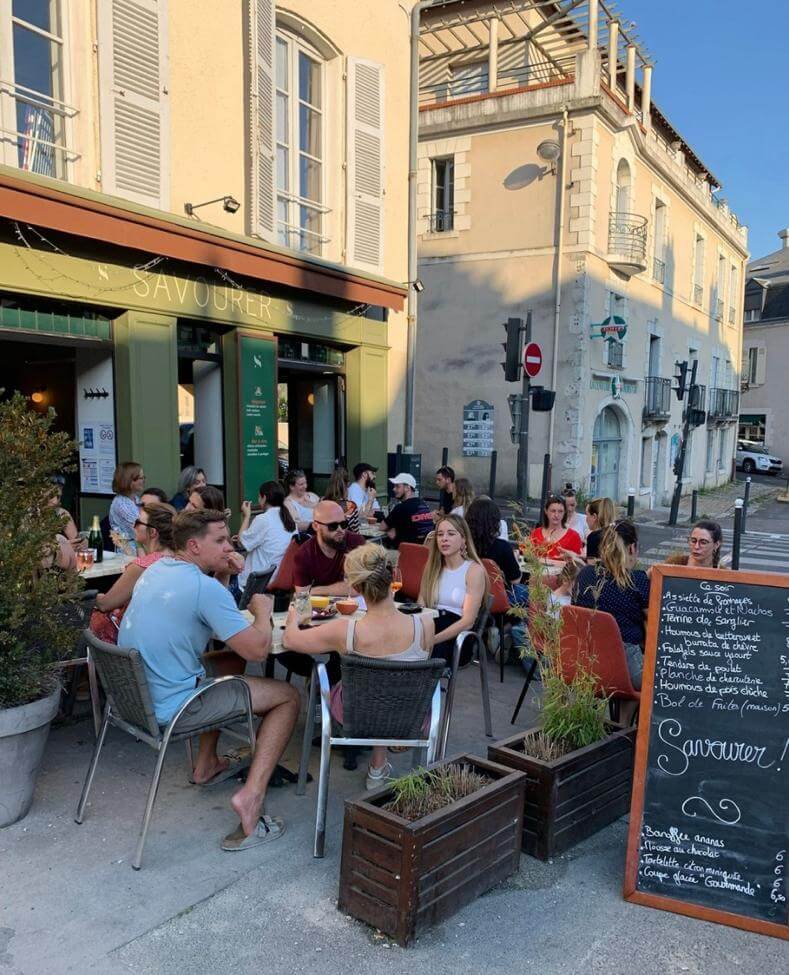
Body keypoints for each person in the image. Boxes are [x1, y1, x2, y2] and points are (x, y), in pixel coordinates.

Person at [119, 509, 300, 850]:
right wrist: (263, 612)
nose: (228, 546)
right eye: (218, 541)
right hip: (173, 707)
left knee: (224, 668)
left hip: (135, 698)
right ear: (193, 545)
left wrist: (223, 577)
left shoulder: (156, 569)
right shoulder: (202, 587)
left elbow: (203, 610)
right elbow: (257, 650)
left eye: (228, 538)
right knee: (288, 696)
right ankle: (251, 797)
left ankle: (205, 766)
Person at [283, 543, 435, 789]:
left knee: (358, 686)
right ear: (391, 575)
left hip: (354, 713)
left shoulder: (345, 631)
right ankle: (377, 766)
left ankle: (377, 763)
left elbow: (290, 640)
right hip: (410, 714)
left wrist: (294, 616)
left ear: (354, 587)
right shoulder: (425, 624)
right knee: (389, 684)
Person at [572, 520, 650, 691]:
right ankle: (625, 718)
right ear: (632, 548)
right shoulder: (637, 580)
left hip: (583, 661)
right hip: (625, 668)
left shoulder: (585, 574)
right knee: (661, 679)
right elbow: (655, 620)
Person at [90, 502, 175, 642]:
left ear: (153, 532)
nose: (132, 526)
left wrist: (93, 597)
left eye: (137, 522)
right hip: (164, 634)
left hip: (131, 637)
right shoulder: (180, 561)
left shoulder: (142, 566)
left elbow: (106, 604)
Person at [419, 514, 488, 665]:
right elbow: (421, 607)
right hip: (431, 625)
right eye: (440, 534)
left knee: (431, 652)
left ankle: (426, 687)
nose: (444, 539)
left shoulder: (473, 570)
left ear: (463, 539)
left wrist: (433, 639)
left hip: (457, 635)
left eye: (451, 534)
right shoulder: (432, 568)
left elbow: (468, 621)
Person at [293, 499, 365, 595]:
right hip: (319, 608)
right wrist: (344, 587)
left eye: (343, 524)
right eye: (333, 526)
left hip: (355, 607)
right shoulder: (304, 555)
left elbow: (361, 586)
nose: (340, 530)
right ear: (316, 526)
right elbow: (302, 596)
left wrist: (316, 590)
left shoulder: (355, 542)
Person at [237, 480, 297, 589]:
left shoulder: (263, 519)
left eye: (259, 497)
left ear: (264, 498)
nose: (258, 500)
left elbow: (241, 543)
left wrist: (246, 516)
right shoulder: (290, 520)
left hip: (259, 582)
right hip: (280, 578)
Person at [465, 497, 520, 586]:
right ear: (495, 521)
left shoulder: (462, 545)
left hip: (466, 593)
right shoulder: (503, 547)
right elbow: (515, 580)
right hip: (498, 597)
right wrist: (515, 560)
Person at [382, 473, 433, 548]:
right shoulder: (424, 505)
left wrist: (392, 530)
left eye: (397, 486)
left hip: (407, 553)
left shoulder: (401, 508)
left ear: (407, 488)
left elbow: (382, 527)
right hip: (425, 551)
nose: (394, 489)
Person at [529, 495, 583, 562]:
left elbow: (580, 564)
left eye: (560, 511)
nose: (556, 515)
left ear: (564, 512)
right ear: (546, 511)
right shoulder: (535, 533)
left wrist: (571, 557)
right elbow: (527, 557)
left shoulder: (574, 536)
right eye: (553, 511)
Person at [47, 478, 86, 552]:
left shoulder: (61, 513)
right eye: (51, 496)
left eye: (58, 497)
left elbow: (76, 542)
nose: (55, 501)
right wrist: (62, 547)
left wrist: (82, 542)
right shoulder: (27, 516)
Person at [109, 461, 145, 538]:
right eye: (140, 478)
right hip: (129, 548)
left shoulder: (135, 498)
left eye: (143, 477)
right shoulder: (121, 504)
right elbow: (140, 528)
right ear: (128, 480)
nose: (143, 481)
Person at [324, 468, 361, 532]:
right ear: (346, 485)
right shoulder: (350, 506)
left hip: (325, 540)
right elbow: (355, 533)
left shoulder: (322, 502)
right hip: (343, 540)